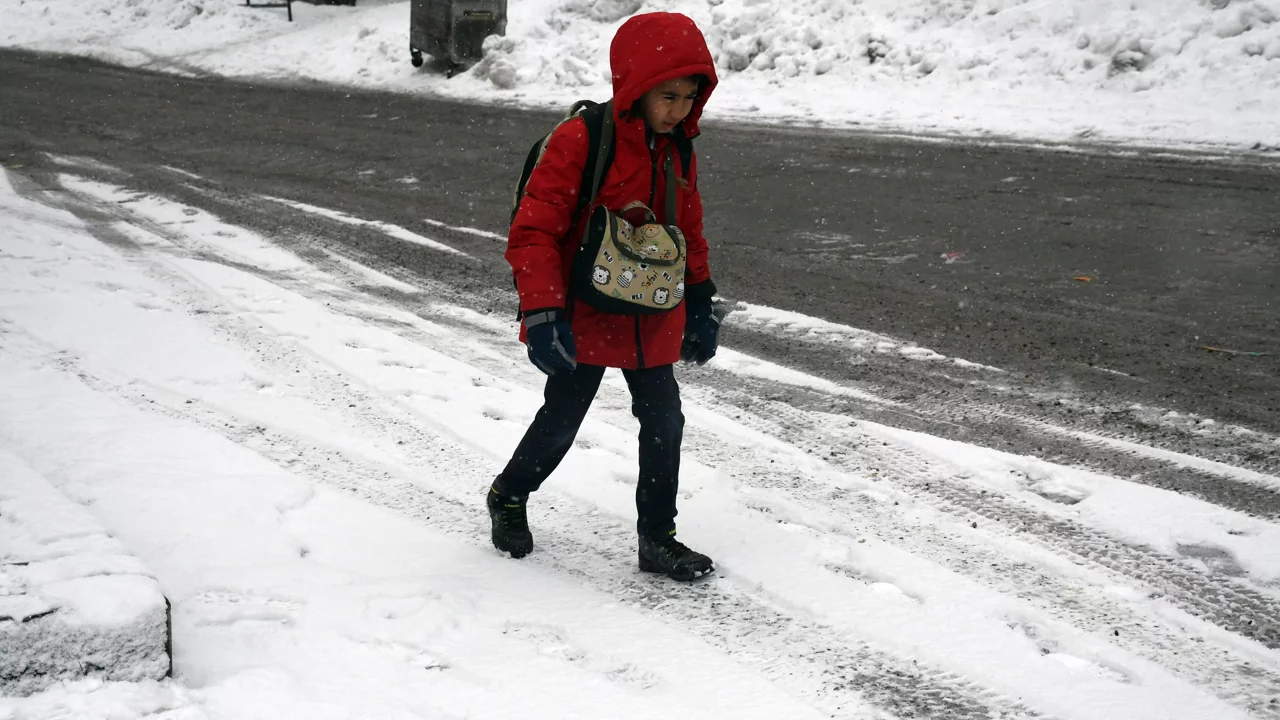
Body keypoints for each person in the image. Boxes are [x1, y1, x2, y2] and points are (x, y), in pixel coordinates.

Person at [488, 12, 722, 581]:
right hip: (583, 309)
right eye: (667, 96)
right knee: (564, 415)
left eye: (689, 98)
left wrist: (700, 297)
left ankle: (656, 537)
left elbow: (686, 229)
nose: (678, 111)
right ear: (636, 86)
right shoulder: (582, 140)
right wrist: (543, 312)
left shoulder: (677, 150)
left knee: (665, 417)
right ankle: (510, 494)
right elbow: (535, 230)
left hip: (651, 308)